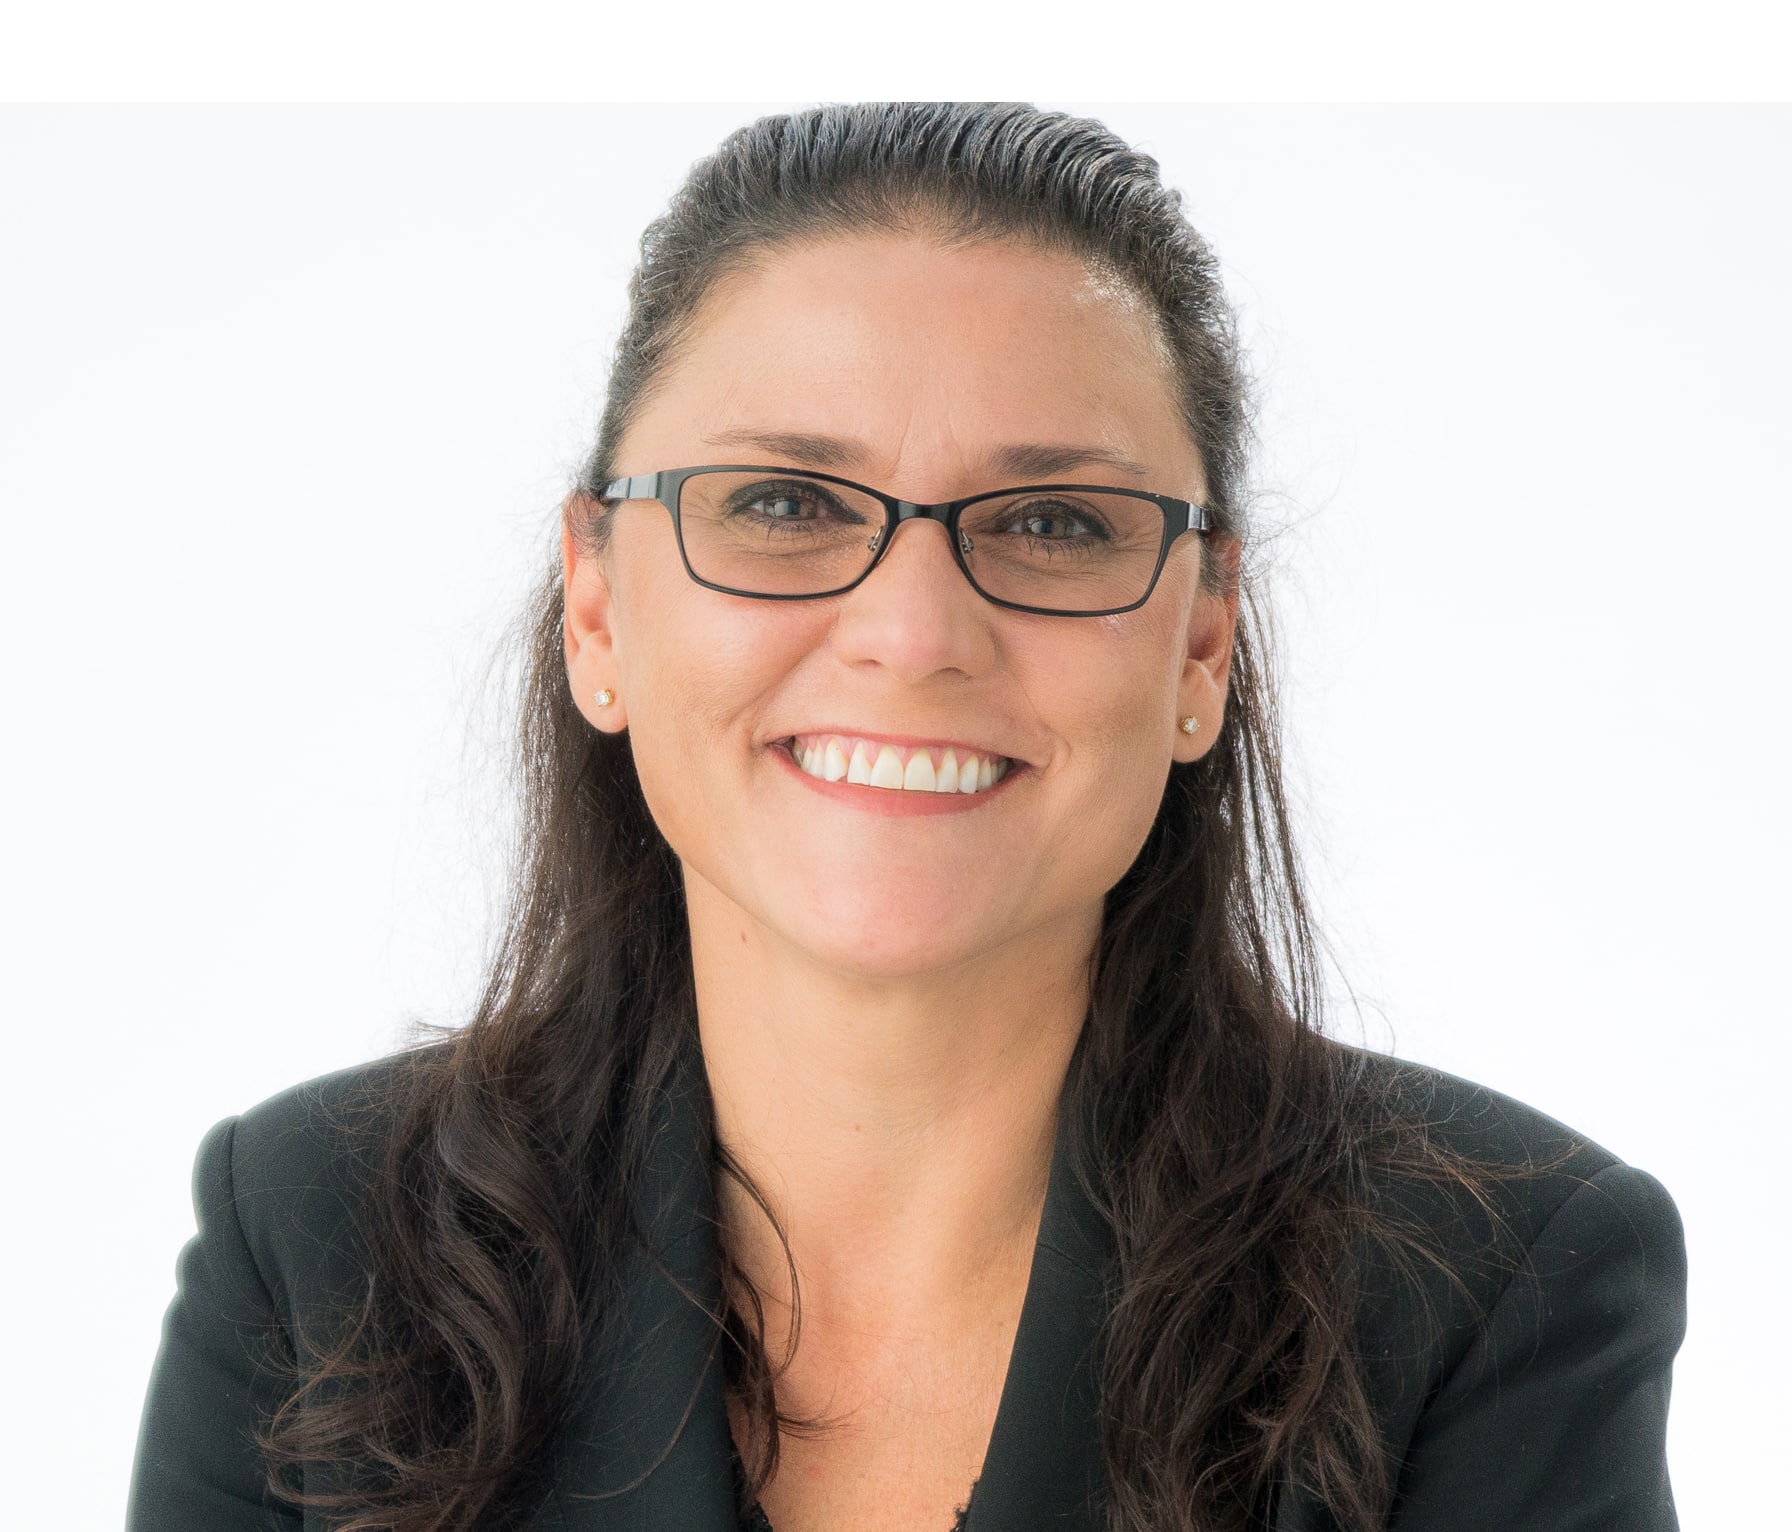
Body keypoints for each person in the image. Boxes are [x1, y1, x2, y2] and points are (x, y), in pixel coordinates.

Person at [125, 102, 1686, 1532]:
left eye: (1058, 522)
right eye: (786, 504)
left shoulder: (1498, 1288)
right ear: (596, 609)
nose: (913, 630)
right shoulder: (315, 1240)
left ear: (1202, 643)